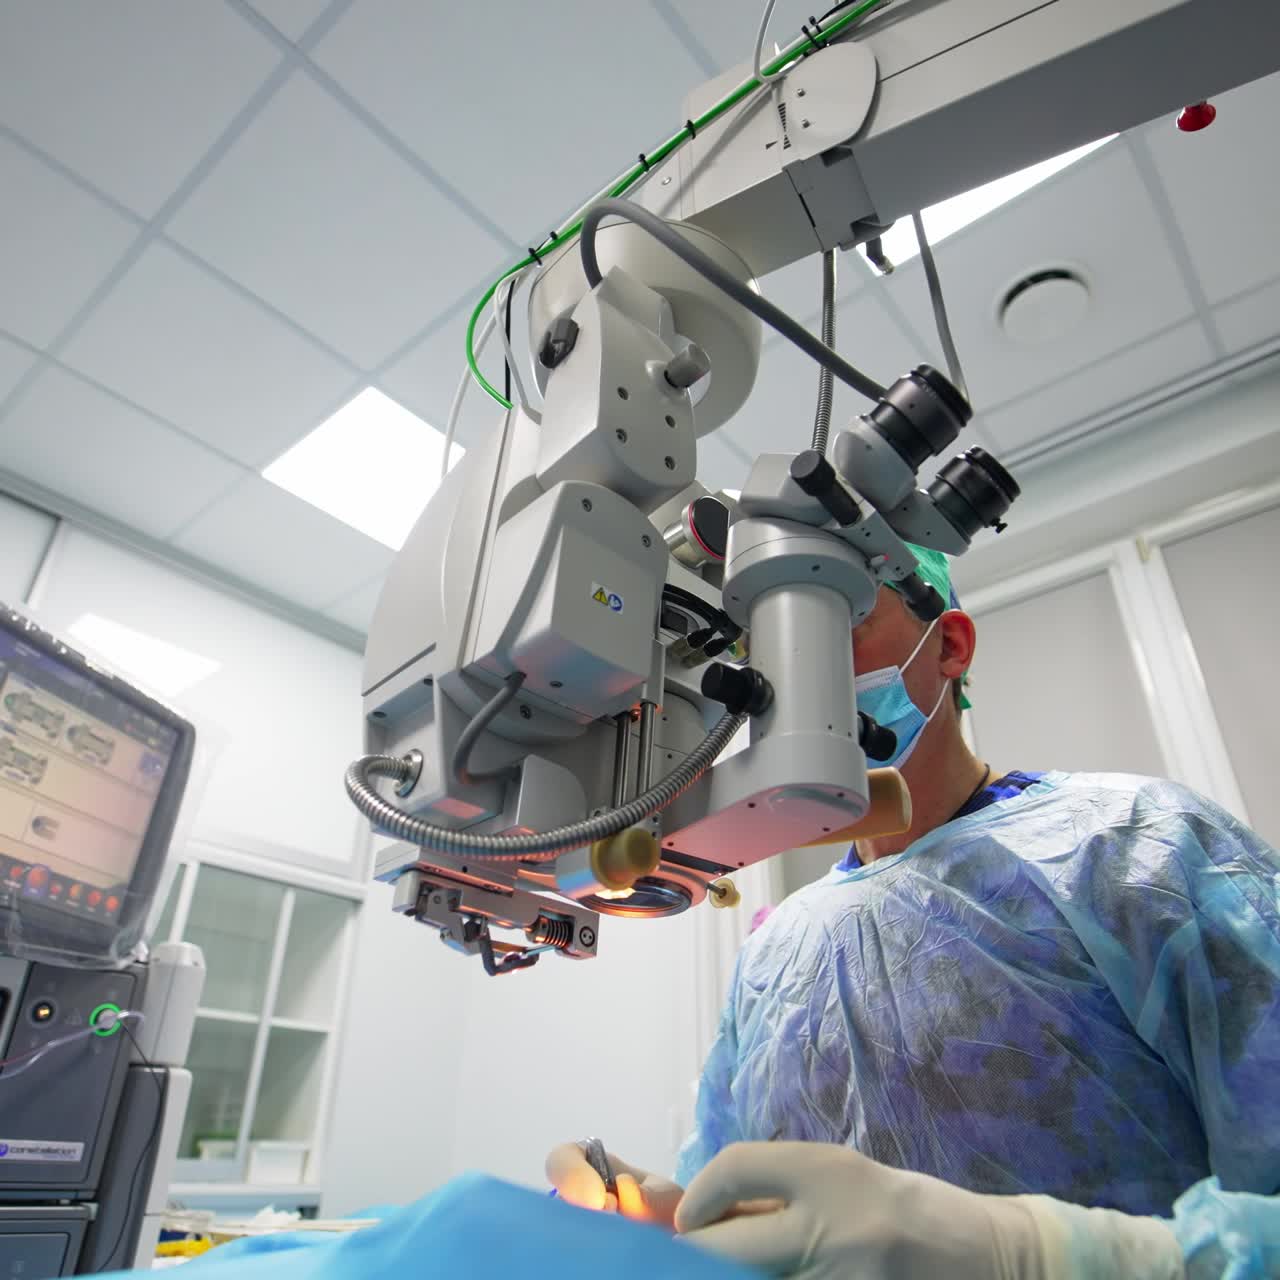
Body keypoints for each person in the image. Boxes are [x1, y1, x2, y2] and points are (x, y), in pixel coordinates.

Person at [548, 546, 1280, 1279]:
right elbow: (752, 1197)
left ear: (951, 647)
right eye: (765, 643)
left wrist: (1052, 1257)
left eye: (838, 615)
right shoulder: (777, 954)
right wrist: (661, 1212)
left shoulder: (1137, 847)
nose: (797, 670)